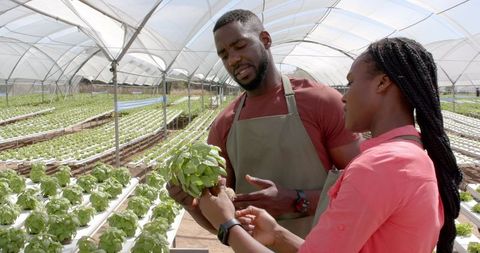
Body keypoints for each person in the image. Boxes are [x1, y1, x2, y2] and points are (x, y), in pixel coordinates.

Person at [198, 37, 463, 253]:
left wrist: (227, 224)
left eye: (350, 83)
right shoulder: (408, 157)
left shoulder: (380, 166)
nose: (344, 97)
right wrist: (278, 235)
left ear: (383, 83)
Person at [167, 9, 360, 238]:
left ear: (265, 40)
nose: (233, 59)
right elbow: (224, 222)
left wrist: (297, 201)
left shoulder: (322, 102)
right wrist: (192, 205)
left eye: (240, 46)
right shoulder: (223, 124)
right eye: (224, 54)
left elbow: (362, 189)